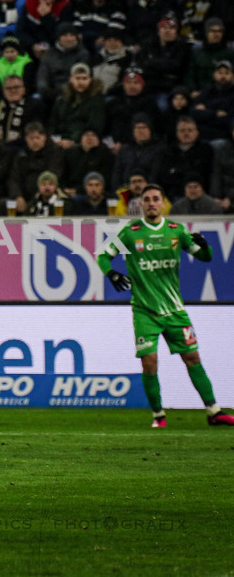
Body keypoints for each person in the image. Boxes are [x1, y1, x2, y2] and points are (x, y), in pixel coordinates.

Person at [97, 183, 234, 429]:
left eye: (155, 199)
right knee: (149, 362)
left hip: (174, 309)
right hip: (144, 310)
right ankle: (158, 416)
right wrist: (112, 274)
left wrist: (205, 246)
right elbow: (102, 255)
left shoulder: (176, 231)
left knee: (192, 358)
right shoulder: (131, 232)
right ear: (141, 204)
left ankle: (214, 411)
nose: (151, 203)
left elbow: (206, 257)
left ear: (162, 202)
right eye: (147, 199)